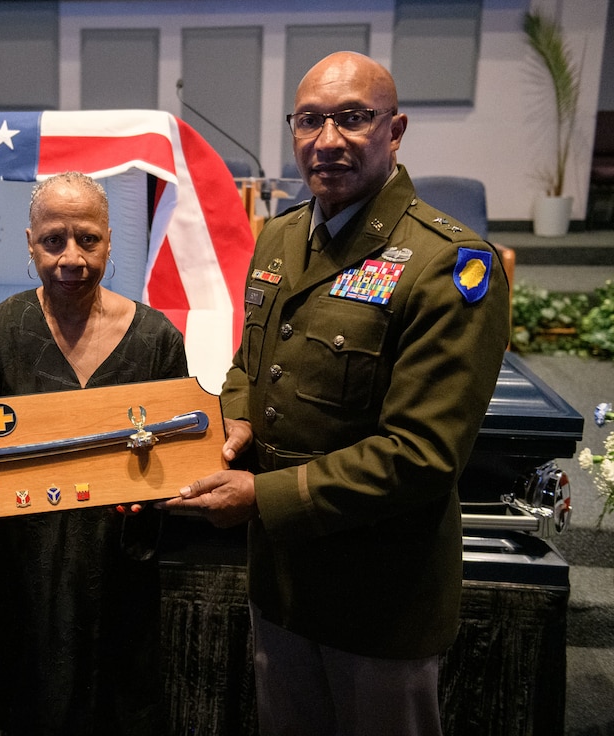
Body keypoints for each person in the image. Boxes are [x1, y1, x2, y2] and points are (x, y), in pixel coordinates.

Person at [165, 52, 510, 735]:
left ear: (396, 128)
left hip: (379, 598)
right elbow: (248, 367)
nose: (328, 140)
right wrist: (233, 424)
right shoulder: (281, 237)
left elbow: (421, 455)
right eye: (310, 120)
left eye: (353, 119)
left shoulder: (449, 265)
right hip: (283, 585)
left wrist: (259, 497)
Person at [0, 171, 188, 735]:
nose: (72, 257)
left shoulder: (157, 340)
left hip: (119, 578)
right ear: (30, 242)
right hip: (23, 577)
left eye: (88, 239)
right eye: (53, 240)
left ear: (111, 241)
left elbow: (174, 463)